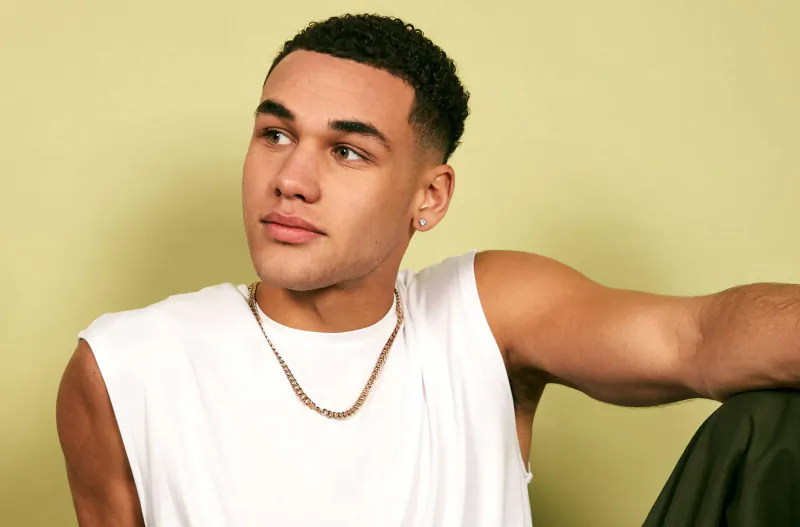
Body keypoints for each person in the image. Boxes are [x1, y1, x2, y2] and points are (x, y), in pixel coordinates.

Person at [55, 13, 800, 527]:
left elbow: (697, 340)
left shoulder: (484, 311)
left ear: (429, 196)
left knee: (772, 430)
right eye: (275, 133)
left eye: (347, 150)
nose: (291, 178)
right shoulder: (124, 365)